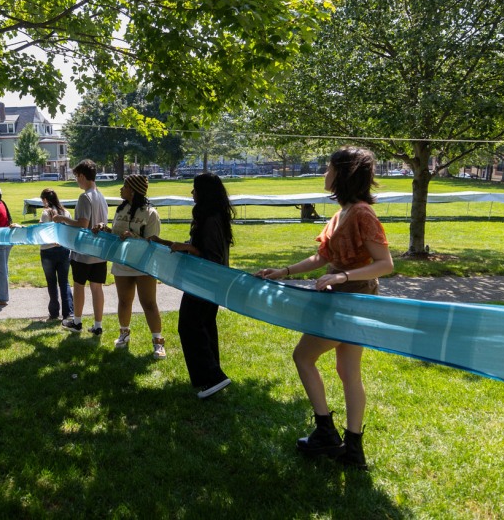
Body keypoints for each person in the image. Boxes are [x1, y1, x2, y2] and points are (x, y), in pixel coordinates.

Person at [255, 146, 394, 470]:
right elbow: (322, 257)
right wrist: (285, 271)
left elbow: (385, 263)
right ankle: (353, 449)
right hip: (344, 295)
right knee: (347, 372)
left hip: (353, 298)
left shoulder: (361, 213)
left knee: (303, 356)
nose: (324, 173)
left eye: (328, 168)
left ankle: (326, 432)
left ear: (342, 174)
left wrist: (344, 274)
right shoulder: (342, 214)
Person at [149, 173, 234, 397]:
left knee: (189, 326)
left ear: (204, 192)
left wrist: (187, 249)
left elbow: (211, 257)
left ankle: (213, 377)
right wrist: (165, 243)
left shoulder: (211, 219)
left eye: (195, 188)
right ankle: (213, 375)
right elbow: (198, 246)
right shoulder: (211, 216)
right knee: (204, 326)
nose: (192, 192)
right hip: (206, 283)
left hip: (204, 282)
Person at [93, 174, 165, 358]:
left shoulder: (150, 213)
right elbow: (117, 235)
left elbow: (153, 243)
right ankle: (124, 334)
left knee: (148, 303)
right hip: (122, 262)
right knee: (124, 301)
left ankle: (158, 342)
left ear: (133, 190)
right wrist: (104, 229)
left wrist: (135, 238)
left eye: (124, 186)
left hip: (144, 264)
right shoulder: (120, 209)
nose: (121, 189)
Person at [53, 159, 107, 336]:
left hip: (84, 252)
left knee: (79, 286)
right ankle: (98, 326)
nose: (76, 180)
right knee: (97, 288)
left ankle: (76, 322)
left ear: (83, 176)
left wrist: (62, 219)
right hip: (99, 251)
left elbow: (83, 223)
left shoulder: (85, 197)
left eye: (76, 176)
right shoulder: (101, 196)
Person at [39, 188, 74, 320]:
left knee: (51, 282)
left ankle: (54, 312)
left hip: (48, 250)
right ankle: (68, 312)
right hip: (64, 249)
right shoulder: (66, 212)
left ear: (46, 200)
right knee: (64, 281)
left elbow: (43, 232)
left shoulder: (46, 213)